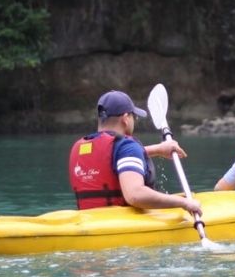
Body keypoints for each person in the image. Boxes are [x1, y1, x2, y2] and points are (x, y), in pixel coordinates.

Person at [68, 89, 202, 217]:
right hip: (121, 224)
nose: (135, 120)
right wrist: (183, 203)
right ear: (126, 118)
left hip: (88, 221)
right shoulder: (128, 146)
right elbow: (135, 195)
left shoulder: (80, 147)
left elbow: (112, 159)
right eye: (134, 116)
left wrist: (158, 149)